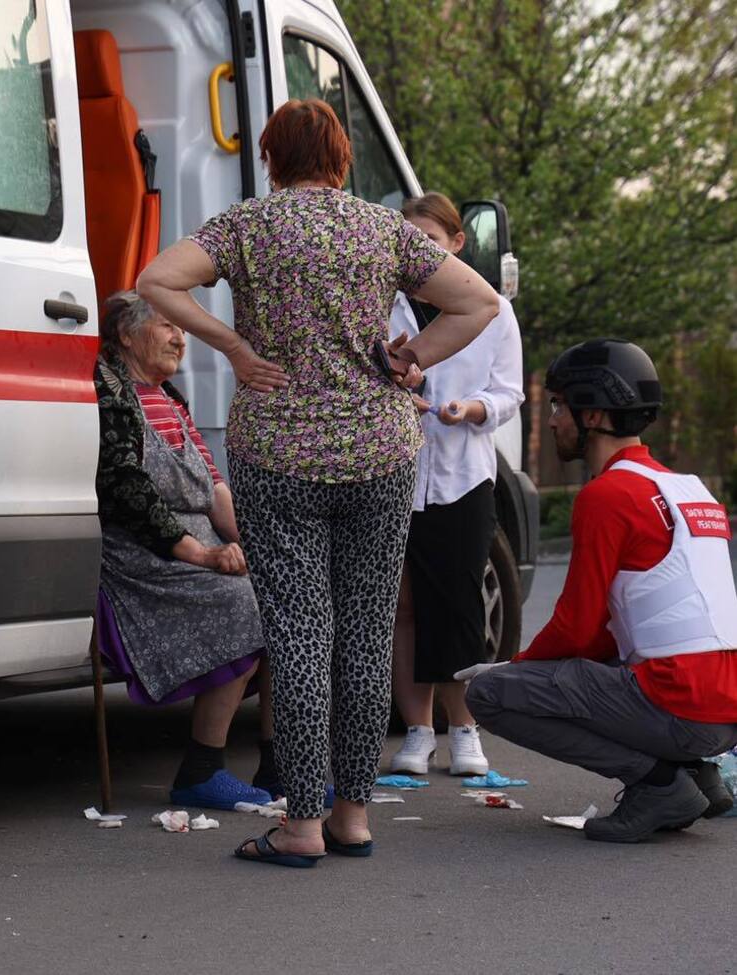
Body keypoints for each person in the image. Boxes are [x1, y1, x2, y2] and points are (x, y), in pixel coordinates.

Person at [137, 98, 498, 867]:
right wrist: (415, 359)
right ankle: (353, 814)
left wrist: (233, 346)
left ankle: (299, 825)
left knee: (300, 634)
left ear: (271, 157)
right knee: (367, 633)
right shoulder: (383, 229)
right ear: (341, 158)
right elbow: (481, 302)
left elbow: (157, 280)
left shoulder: (247, 227)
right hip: (380, 451)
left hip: (279, 455)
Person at [463, 339, 737, 842]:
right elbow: (638, 618)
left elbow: (579, 628)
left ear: (591, 415)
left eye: (559, 406)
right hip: (723, 707)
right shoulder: (691, 490)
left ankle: (659, 784)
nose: (551, 420)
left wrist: (512, 665)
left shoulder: (609, 495)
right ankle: (698, 774)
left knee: (490, 694)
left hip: (679, 705)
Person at [94, 289, 279, 810]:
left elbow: (215, 484)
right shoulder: (110, 393)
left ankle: (281, 765)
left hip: (200, 543)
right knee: (247, 606)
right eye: (168, 325)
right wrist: (201, 554)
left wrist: (251, 544)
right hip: (144, 555)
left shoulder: (171, 397)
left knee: (285, 594)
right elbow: (126, 490)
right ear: (128, 335)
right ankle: (201, 769)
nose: (181, 337)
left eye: (183, 328)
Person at [387, 193, 524, 776]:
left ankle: (465, 730)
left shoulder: (492, 307)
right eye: (410, 246)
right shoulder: (379, 304)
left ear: (457, 245)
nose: (421, 259)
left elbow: (510, 391)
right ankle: (417, 733)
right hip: (394, 473)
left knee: (460, 603)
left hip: (463, 475)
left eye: (432, 246)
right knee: (403, 608)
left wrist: (472, 409)